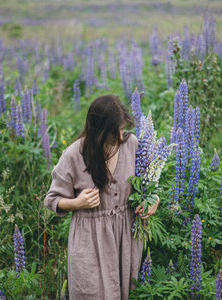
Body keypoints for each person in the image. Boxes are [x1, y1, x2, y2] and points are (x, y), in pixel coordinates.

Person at [44, 94, 160, 299]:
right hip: (90, 240)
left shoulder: (132, 144)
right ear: (98, 130)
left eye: (122, 128)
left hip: (126, 236)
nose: (120, 134)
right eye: (114, 130)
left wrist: (152, 201)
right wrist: (77, 202)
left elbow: (149, 183)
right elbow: (52, 199)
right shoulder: (74, 154)